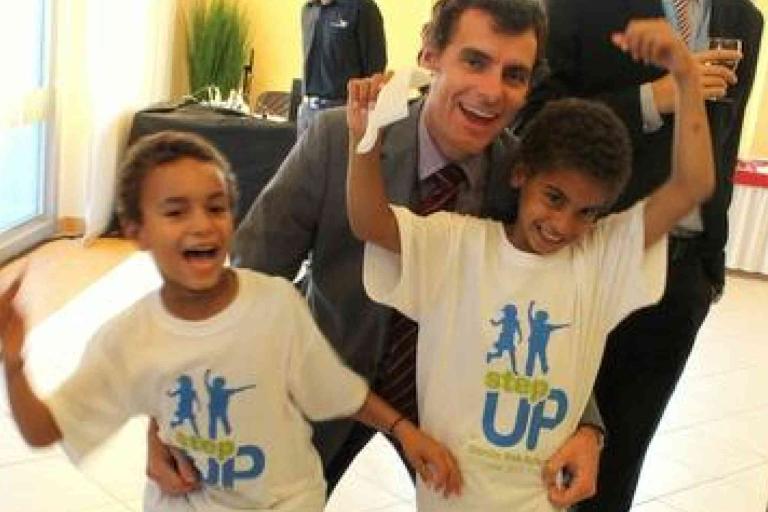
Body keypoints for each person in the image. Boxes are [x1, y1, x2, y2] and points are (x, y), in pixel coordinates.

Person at [148, 1, 606, 508]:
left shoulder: (522, 180)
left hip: (451, 407)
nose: (492, 91)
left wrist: (587, 425)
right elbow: (248, 276)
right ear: (430, 54)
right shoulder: (338, 140)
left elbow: (556, 304)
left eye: (514, 74)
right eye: (474, 61)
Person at [344, 16, 714, 510]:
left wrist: (687, 77)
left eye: (588, 212)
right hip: (449, 498)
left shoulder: (600, 258)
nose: (563, 225)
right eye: (553, 198)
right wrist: (363, 140)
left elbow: (691, 185)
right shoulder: (457, 246)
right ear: (520, 174)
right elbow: (371, 223)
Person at [0, 131, 462, 512]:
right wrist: (15, 361)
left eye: (216, 207)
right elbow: (45, 430)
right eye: (176, 211)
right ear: (136, 230)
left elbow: (339, 390)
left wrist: (404, 429)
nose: (201, 224)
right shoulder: (128, 338)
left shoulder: (276, 306)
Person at [517, 1, 763, 509]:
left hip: (681, 275)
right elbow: (534, 120)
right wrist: (652, 99)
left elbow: (725, 140)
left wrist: (711, 262)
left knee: (623, 456)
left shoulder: (744, 19)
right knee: (540, 446)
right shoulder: (579, 7)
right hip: (587, 256)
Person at [297, 0, 387, 135]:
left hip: (342, 112)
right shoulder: (308, 10)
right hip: (307, 111)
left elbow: (375, 69)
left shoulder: (362, 8)